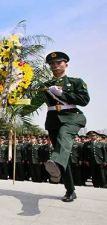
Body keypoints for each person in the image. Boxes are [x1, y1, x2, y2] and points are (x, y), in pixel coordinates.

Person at [27, 51, 90, 202]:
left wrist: (62, 93)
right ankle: (70, 190)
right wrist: (12, 104)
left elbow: (84, 100)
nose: (55, 66)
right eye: (52, 64)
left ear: (65, 64)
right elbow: (32, 105)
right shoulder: (45, 86)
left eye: (58, 63)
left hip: (72, 117)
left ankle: (54, 163)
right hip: (53, 121)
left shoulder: (75, 82)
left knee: (64, 136)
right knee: (64, 157)